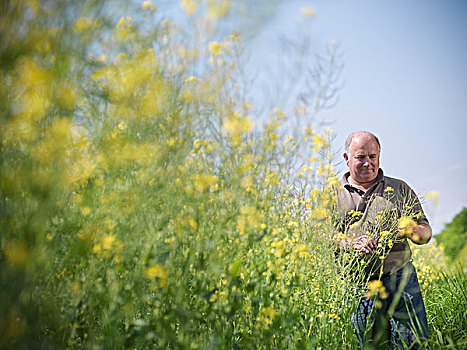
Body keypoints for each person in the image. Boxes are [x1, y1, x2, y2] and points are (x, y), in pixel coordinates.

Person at [333, 131, 431, 349]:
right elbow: (320, 236)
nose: (368, 163)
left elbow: (426, 232)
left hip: (400, 280)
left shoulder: (399, 188)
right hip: (357, 285)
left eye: (373, 156)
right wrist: (350, 243)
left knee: (414, 344)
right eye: (360, 157)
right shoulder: (332, 194)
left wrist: (413, 230)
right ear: (347, 159)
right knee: (371, 346)